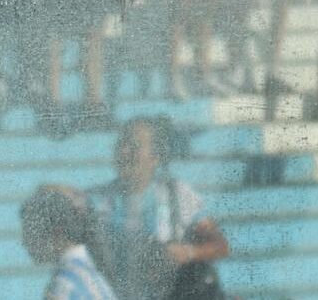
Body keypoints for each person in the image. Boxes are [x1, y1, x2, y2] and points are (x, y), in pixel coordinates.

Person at [87, 117, 230, 300]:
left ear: (156, 157)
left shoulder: (177, 195)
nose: (124, 152)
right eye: (121, 144)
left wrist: (186, 253)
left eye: (134, 146)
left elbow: (220, 246)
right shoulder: (96, 201)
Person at [20, 185, 118, 300]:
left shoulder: (65, 285)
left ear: (57, 232)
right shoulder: (84, 271)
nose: (24, 242)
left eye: (30, 233)